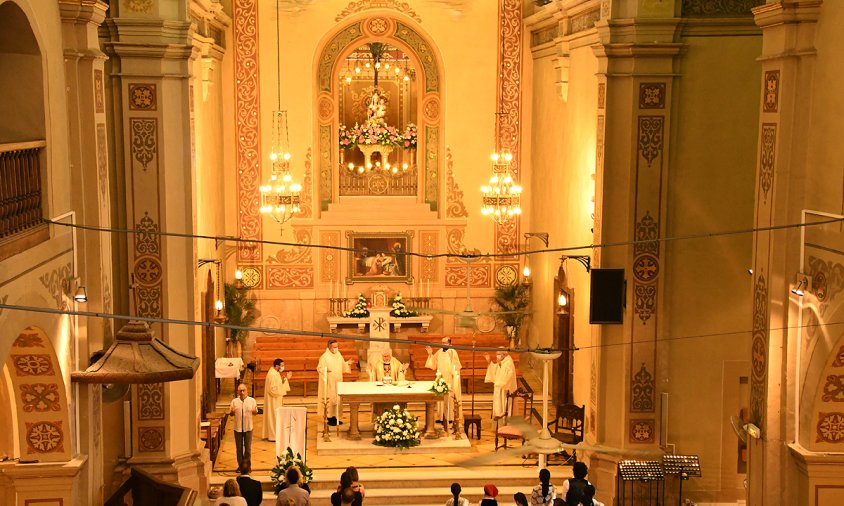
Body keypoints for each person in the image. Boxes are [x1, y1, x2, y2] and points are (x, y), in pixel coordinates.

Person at [425, 337, 462, 426]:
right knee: (441, 398)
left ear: (449, 343)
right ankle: (441, 417)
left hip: (450, 379)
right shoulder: (440, 351)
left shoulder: (453, 352)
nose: (443, 344)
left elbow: (456, 366)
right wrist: (430, 354)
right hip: (441, 379)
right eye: (442, 342)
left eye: (445, 343)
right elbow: (434, 363)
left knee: (449, 397)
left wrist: (452, 372)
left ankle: (450, 418)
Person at [317, 339, 355, 426]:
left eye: (337, 347)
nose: (336, 348)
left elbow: (342, 365)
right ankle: (330, 418)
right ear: (330, 347)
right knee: (330, 399)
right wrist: (326, 370)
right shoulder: (324, 357)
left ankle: (336, 417)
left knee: (337, 399)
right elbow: (319, 368)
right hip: (329, 382)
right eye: (335, 347)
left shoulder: (338, 354)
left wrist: (347, 363)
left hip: (338, 381)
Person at [229, 383, 258, 471]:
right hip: (237, 428)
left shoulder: (252, 400)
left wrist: (254, 411)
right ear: (238, 391)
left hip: (248, 427)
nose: (242, 392)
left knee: (248, 448)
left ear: (247, 391)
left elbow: (256, 412)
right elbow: (230, 414)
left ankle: (247, 466)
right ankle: (241, 466)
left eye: (243, 390)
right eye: (240, 390)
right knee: (239, 448)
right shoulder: (234, 401)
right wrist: (232, 412)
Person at [263, 358, 292, 441]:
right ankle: (274, 436)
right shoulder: (272, 375)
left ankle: (276, 434)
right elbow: (273, 390)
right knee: (274, 417)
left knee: (276, 416)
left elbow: (278, 384)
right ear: (276, 366)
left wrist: (286, 379)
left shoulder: (275, 373)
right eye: (282, 366)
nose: (283, 367)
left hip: (276, 400)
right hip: (273, 400)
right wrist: (285, 382)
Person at [484, 347, 517, 419]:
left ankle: (504, 422)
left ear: (504, 354)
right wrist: (489, 361)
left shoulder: (508, 363)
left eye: (498, 354)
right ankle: (499, 423)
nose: (497, 356)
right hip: (501, 388)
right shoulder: (503, 362)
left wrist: (499, 383)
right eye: (496, 354)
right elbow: (496, 369)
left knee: (504, 406)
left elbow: (508, 376)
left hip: (505, 390)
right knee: (499, 407)